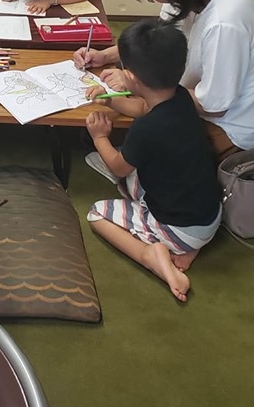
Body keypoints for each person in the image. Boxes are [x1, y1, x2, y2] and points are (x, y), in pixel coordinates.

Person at [74, 0, 254, 159]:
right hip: (185, 89)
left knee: (136, 140)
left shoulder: (225, 22)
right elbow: (160, 32)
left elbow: (215, 106)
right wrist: (105, 55)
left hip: (228, 124)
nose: (151, 0)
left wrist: (138, 83)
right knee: (106, 123)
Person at [84, 19, 222, 303]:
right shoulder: (181, 96)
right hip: (209, 215)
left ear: (131, 77)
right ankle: (187, 247)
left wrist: (100, 138)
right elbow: (142, 106)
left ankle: (151, 255)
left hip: (179, 227)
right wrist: (110, 101)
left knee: (97, 213)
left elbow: (119, 166)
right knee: (137, 179)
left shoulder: (146, 130)